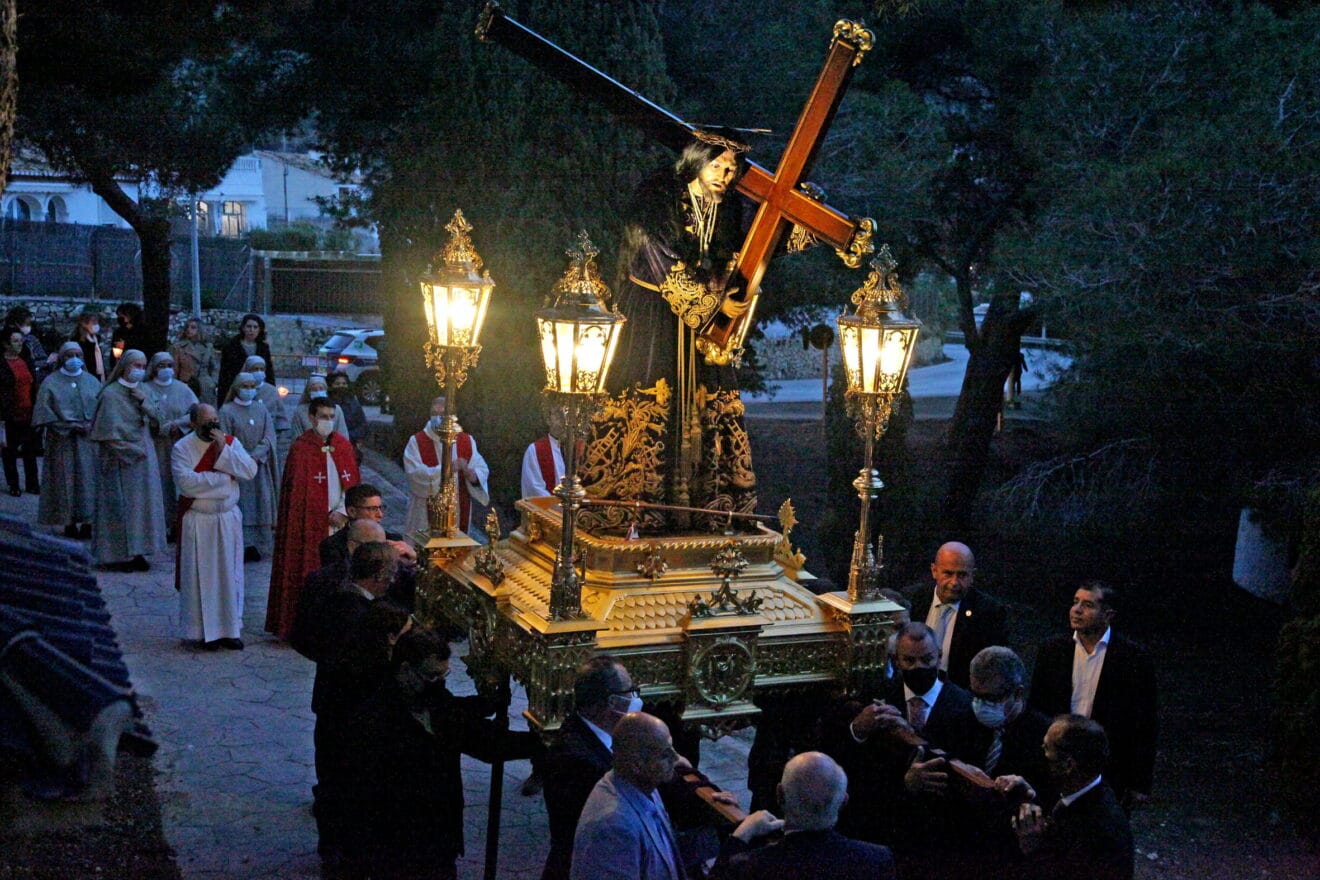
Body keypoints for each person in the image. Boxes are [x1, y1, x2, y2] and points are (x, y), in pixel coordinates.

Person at [598, 132, 760, 529]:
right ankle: (639, 507)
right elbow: (655, 254)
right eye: (717, 165)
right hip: (655, 316)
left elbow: (758, 241)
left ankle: (710, 507)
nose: (725, 175)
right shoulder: (657, 198)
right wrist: (711, 304)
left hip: (703, 329)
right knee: (651, 400)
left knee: (709, 406)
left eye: (731, 169)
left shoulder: (728, 206)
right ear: (698, 160)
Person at [341, 626, 539, 880]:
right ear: (404, 671)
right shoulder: (374, 719)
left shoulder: (428, 693)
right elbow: (464, 733)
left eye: (444, 675)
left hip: (439, 832)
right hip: (397, 840)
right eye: (433, 676)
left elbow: (475, 733)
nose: (440, 683)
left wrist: (487, 707)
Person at [1027, 581, 1157, 809]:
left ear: (1108, 615)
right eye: (1075, 602)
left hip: (1108, 766)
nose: (1076, 610)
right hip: (1057, 759)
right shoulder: (1052, 651)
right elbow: (1037, 706)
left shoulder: (1133, 659)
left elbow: (1144, 723)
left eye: (1087, 605)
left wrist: (1140, 783)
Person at [709, 751, 897, 880]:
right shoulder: (877, 859)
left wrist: (740, 835)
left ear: (779, 795)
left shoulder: (748, 866)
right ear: (843, 802)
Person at [265, 397, 360, 639]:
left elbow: (352, 485)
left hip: (339, 523)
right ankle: (303, 626)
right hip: (307, 524)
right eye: (322, 416)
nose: (327, 421)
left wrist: (341, 511)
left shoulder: (343, 445)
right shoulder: (300, 448)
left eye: (331, 417)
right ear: (311, 418)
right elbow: (294, 493)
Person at [172, 403, 257, 651]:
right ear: (194, 424)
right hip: (199, 521)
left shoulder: (230, 442)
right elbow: (187, 484)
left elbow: (249, 470)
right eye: (207, 422)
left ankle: (229, 630)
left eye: (215, 420)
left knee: (230, 576)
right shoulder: (182, 448)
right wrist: (224, 479)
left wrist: (223, 451)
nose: (213, 426)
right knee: (201, 577)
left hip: (228, 519)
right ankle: (202, 633)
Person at [1011, 715, 1134, 880]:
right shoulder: (1084, 788)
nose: (1041, 753)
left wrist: (1033, 847)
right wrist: (1028, 795)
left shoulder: (1100, 831)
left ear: (1068, 765)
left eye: (1046, 749)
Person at [570, 712, 686, 880]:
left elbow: (664, 852)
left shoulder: (641, 783)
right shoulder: (613, 827)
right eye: (665, 754)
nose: (676, 759)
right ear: (637, 765)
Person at [89, 350, 165, 571]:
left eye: (143, 366)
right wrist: (130, 451)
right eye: (135, 365)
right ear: (125, 366)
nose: (139, 370)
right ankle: (118, 554)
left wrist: (145, 403)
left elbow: (160, 419)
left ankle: (139, 550)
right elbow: (106, 434)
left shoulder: (144, 391)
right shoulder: (111, 394)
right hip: (120, 461)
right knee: (120, 508)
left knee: (142, 507)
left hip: (143, 459)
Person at [907, 541, 1009, 688]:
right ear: (934, 571)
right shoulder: (913, 599)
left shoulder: (989, 613)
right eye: (948, 573)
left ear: (972, 576)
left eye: (962, 575)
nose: (954, 582)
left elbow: (994, 669)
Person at [32, 342, 99, 538]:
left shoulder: (91, 381)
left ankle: (88, 521)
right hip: (62, 441)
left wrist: (91, 426)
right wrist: (66, 426)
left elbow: (102, 408)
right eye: (70, 355)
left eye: (78, 354)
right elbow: (43, 411)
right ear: (62, 357)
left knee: (88, 481)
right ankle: (68, 521)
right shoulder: (51, 382)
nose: (74, 358)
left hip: (87, 442)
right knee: (65, 481)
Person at [402, 395, 489, 541]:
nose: (437, 418)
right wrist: (447, 469)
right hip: (425, 511)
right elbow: (415, 475)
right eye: (434, 414)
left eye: (442, 415)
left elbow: (481, 469)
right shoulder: (417, 441)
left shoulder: (466, 440)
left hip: (458, 507)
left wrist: (470, 473)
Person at [219, 372, 279, 562]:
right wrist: (242, 459)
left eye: (252, 386)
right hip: (237, 467)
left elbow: (269, 437)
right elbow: (224, 438)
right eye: (245, 386)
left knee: (260, 503)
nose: (249, 389)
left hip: (258, 466)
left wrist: (255, 456)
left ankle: (255, 544)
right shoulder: (226, 411)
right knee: (241, 504)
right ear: (236, 387)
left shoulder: (261, 410)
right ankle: (240, 543)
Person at [145, 351, 199, 535]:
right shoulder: (145, 388)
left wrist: (179, 425)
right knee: (156, 481)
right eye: (162, 366)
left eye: (169, 366)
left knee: (176, 482)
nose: (166, 370)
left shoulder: (182, 389)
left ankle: (177, 522)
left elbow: (194, 412)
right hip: (154, 444)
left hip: (177, 443)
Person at [318, 483, 406, 568]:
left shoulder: (394, 540)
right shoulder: (332, 546)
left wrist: (413, 560)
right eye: (372, 509)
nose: (380, 514)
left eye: (381, 508)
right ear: (352, 511)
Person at [0, 324, 41, 497]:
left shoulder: (25, 360)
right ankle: (13, 484)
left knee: (30, 450)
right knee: (10, 450)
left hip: (28, 410)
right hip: (10, 412)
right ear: (6, 344)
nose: (19, 344)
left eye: (20, 341)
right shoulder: (2, 364)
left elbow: (33, 384)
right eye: (15, 341)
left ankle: (32, 483)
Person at [218, 313, 275, 400]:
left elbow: (269, 371)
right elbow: (224, 373)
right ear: (243, 328)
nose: (252, 330)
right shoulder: (231, 347)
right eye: (249, 326)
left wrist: (272, 391)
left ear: (259, 329)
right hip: (237, 388)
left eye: (255, 327)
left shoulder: (263, 348)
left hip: (258, 388)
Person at [243, 353, 290, 458]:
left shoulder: (272, 391)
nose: (259, 372)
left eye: (261, 369)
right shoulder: (241, 390)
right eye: (255, 369)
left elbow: (281, 419)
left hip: (268, 442)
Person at [170, 316, 219, 405]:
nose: (189, 330)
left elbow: (215, 367)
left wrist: (213, 382)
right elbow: (174, 369)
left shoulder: (208, 347)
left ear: (199, 330)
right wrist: (174, 386)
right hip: (186, 384)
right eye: (187, 327)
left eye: (193, 327)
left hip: (205, 386)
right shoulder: (178, 347)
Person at [521, 403, 566, 498]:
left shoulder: (579, 450)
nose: (564, 419)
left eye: (567, 413)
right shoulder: (535, 450)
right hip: (551, 510)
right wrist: (561, 507)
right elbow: (534, 488)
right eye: (558, 414)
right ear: (548, 420)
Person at [289, 373, 350, 440]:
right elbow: (297, 437)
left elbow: (343, 434)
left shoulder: (337, 409)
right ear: (308, 392)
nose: (318, 391)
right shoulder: (300, 411)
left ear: (325, 390)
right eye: (314, 389)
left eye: (321, 388)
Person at [6, 306, 57, 376]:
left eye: (29, 324)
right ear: (16, 323)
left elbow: (43, 358)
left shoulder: (31, 339)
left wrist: (48, 361)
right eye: (26, 324)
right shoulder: (5, 340)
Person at [69, 309, 108, 384]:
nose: (96, 324)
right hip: (85, 375)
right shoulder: (76, 340)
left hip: (97, 375)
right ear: (84, 323)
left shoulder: (96, 338)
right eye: (93, 322)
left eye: (97, 322)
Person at [327, 369, 367, 442]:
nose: (341, 386)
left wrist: (348, 436)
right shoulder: (325, 403)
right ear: (331, 386)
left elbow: (362, 425)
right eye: (337, 384)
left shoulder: (353, 403)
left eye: (344, 383)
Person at [110, 303, 150, 367]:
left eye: (122, 316)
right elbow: (116, 354)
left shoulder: (144, 332)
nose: (120, 318)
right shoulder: (119, 332)